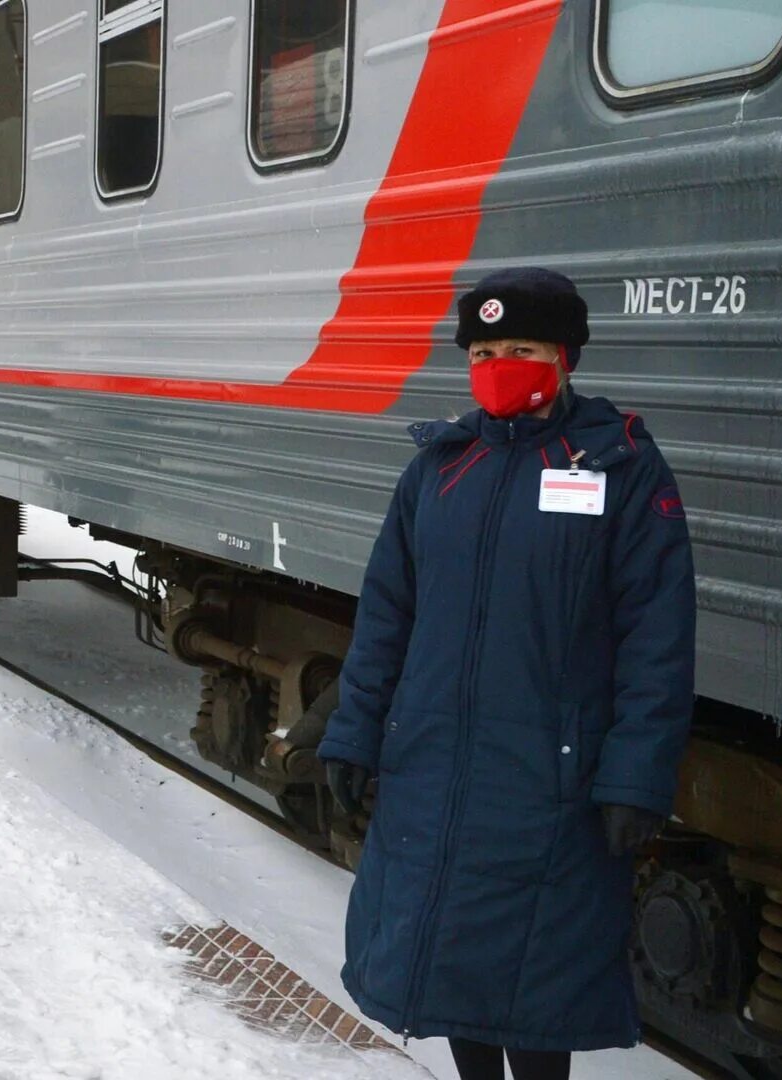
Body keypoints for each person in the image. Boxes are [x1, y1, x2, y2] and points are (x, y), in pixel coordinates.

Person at [317, 268, 696, 1080]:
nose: (498, 363)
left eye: (519, 347)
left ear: (563, 357)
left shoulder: (620, 468)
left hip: (547, 783)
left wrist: (636, 778)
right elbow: (387, 616)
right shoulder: (439, 471)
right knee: (453, 965)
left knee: (537, 980)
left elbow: (656, 640)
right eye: (483, 350)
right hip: (436, 768)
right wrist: (352, 733)